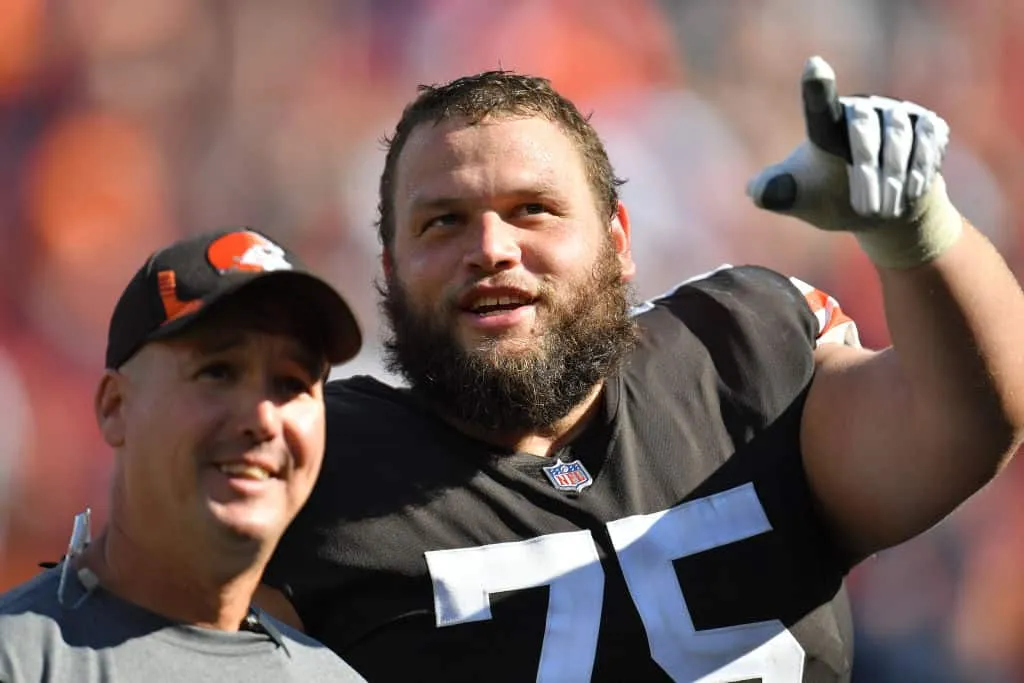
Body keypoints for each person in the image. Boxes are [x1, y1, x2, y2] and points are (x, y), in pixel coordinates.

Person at [259, 57, 1024, 682]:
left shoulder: (738, 359)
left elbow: (963, 423)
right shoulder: (314, 462)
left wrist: (918, 232)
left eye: (534, 209)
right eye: (443, 221)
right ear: (389, 270)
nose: (490, 247)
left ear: (618, 242)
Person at [0, 229, 368, 683]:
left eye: (292, 383)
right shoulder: (19, 661)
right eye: (218, 371)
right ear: (116, 407)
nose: (262, 419)